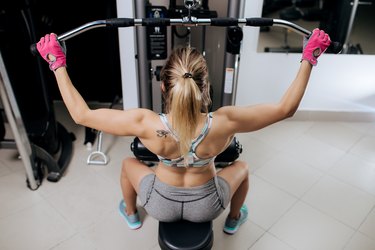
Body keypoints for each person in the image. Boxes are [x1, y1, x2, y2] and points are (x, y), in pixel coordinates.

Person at [36, 28, 330, 234]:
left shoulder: (145, 123)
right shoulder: (225, 121)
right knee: (242, 168)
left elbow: (81, 114)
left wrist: (56, 64)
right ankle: (233, 219)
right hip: (208, 206)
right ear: (205, 87)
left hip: (160, 203)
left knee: (128, 164)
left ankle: (131, 214)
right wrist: (309, 58)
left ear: (163, 86)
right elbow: (284, 109)